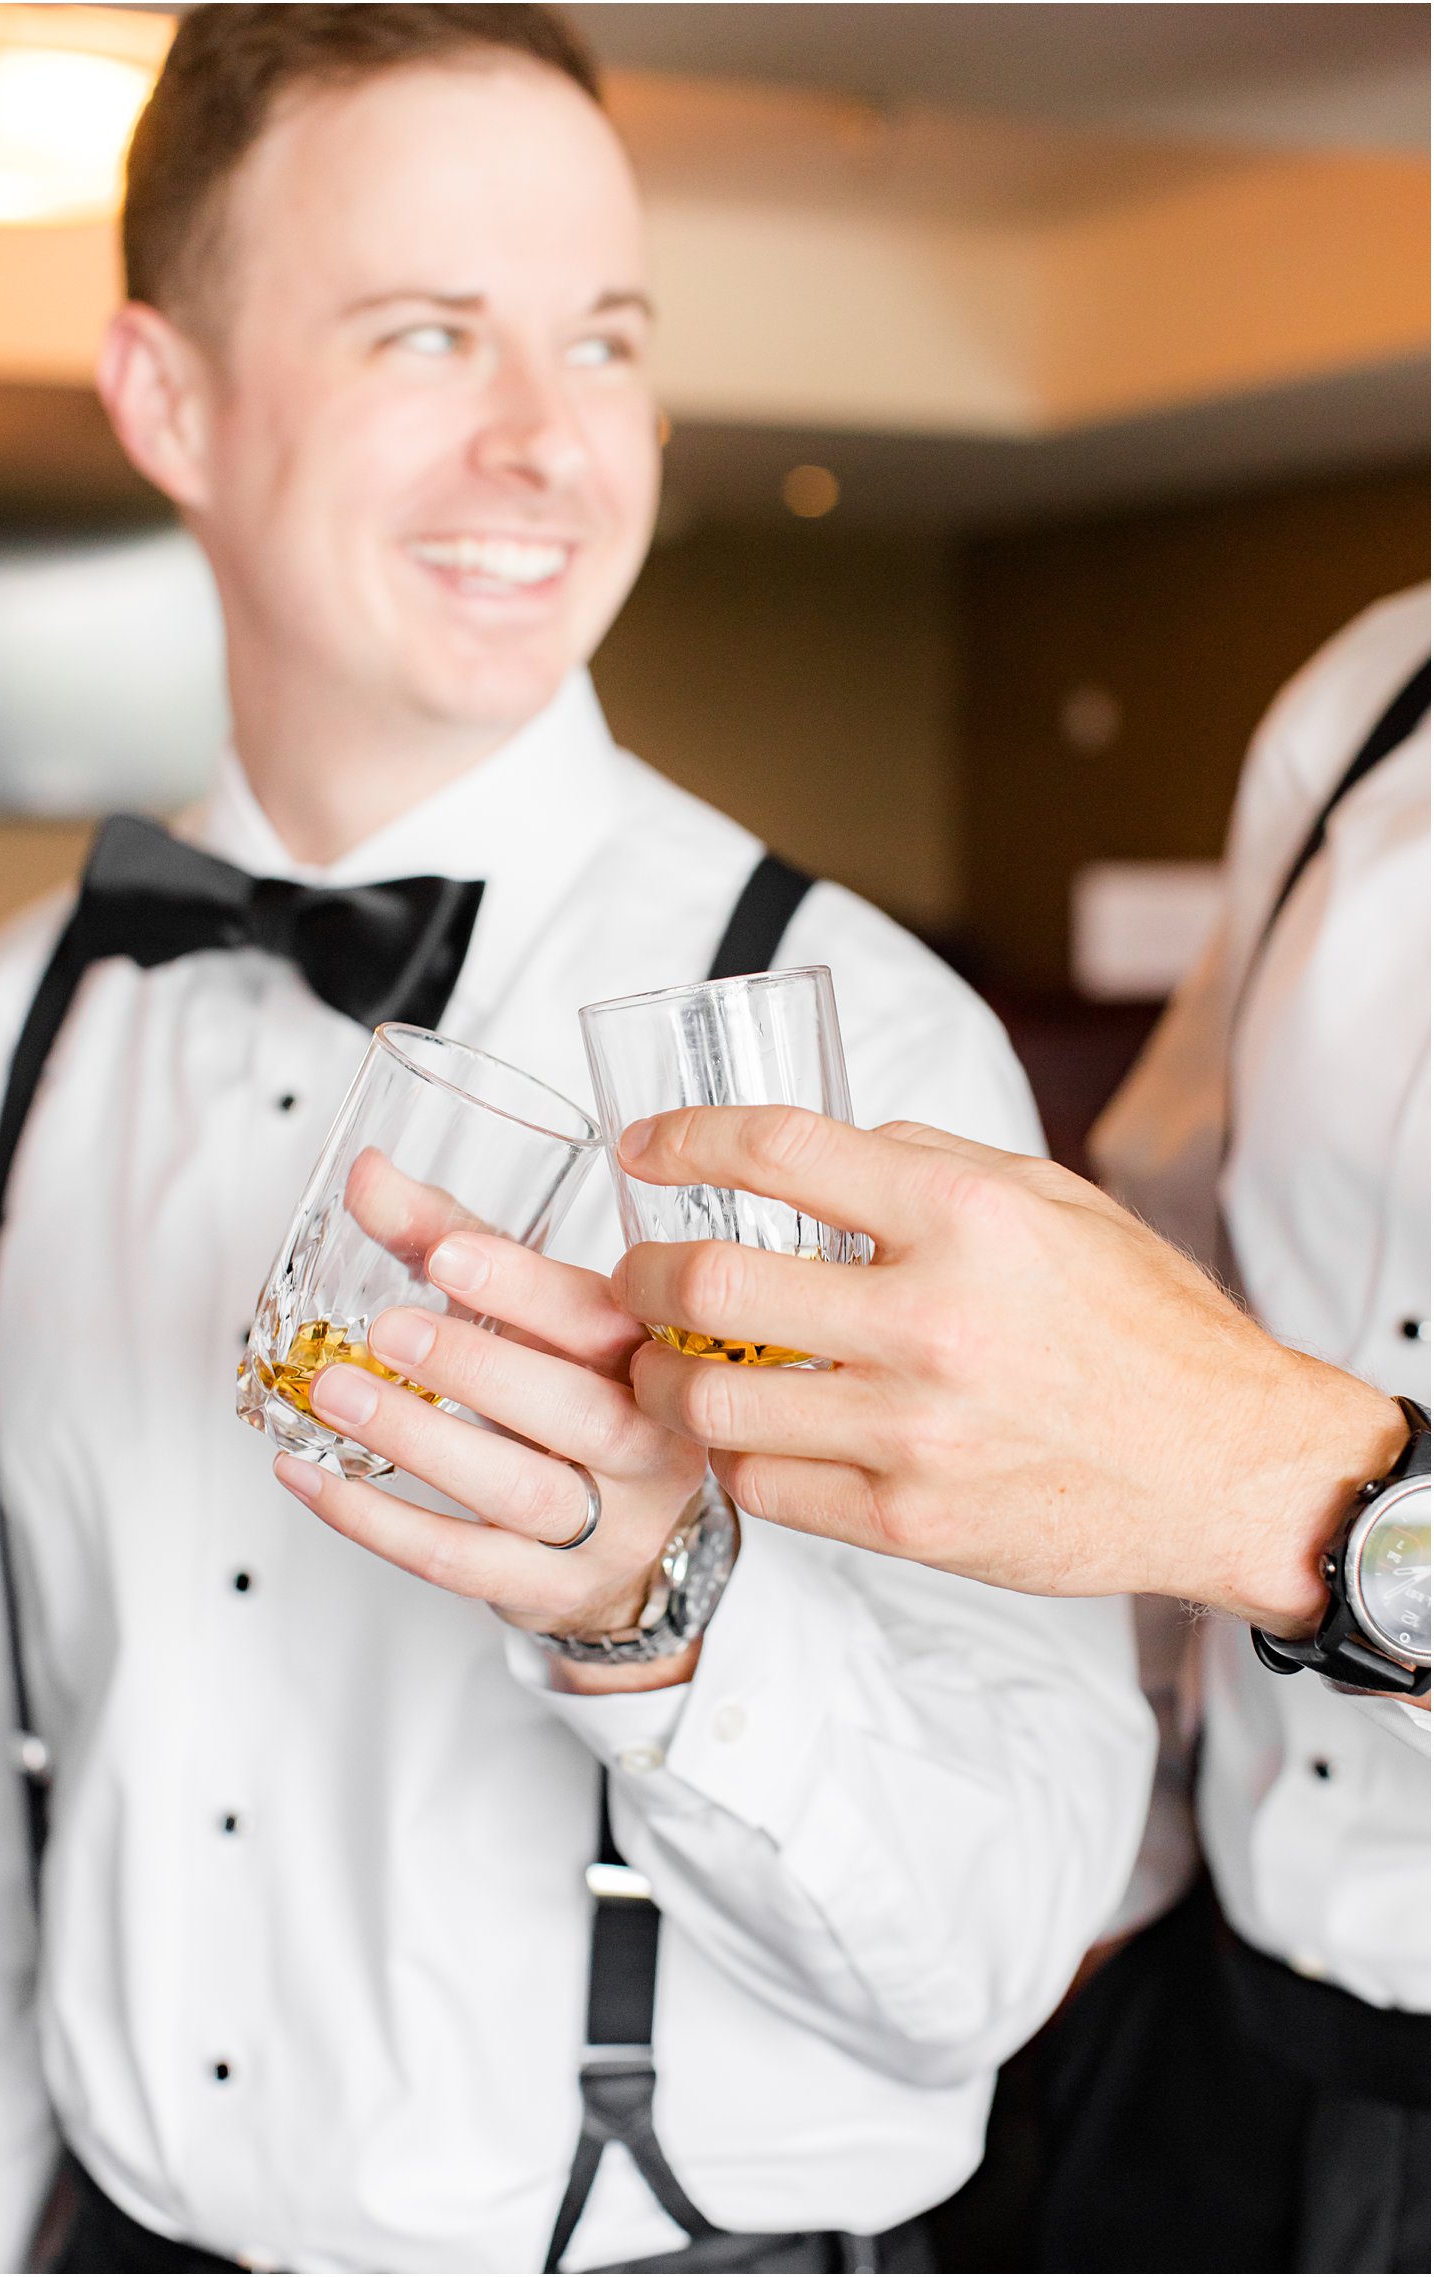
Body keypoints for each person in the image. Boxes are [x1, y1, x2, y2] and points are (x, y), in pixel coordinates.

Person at [0, 10, 1156, 2273]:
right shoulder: (5, 1033)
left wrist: (649, 1605)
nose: (543, 443)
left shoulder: (855, 1040)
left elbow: (999, 1931)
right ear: (165, 399)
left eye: (601, 341)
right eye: (424, 331)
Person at [613, 587, 1430, 2271]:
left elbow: (1200, 1427)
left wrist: (1308, 1503)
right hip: (1204, 2039)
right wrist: (1070, 1886)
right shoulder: (1366, 694)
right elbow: (1177, 1239)